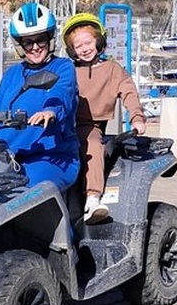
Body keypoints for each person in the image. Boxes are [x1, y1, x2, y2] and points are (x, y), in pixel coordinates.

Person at [0, 2, 80, 191]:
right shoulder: (13, 74)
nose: (35, 47)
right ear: (20, 44)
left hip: (51, 157)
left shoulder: (63, 67)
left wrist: (51, 111)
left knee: (27, 193)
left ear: (50, 39)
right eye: (28, 42)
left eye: (40, 40)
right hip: (7, 156)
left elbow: (63, 92)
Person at [62, 12, 146, 224]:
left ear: (99, 41)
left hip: (90, 125)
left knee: (92, 144)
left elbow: (129, 92)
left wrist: (136, 116)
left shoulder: (112, 70)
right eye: (78, 46)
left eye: (88, 42)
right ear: (72, 50)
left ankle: (92, 198)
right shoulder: (67, 70)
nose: (84, 49)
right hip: (63, 124)